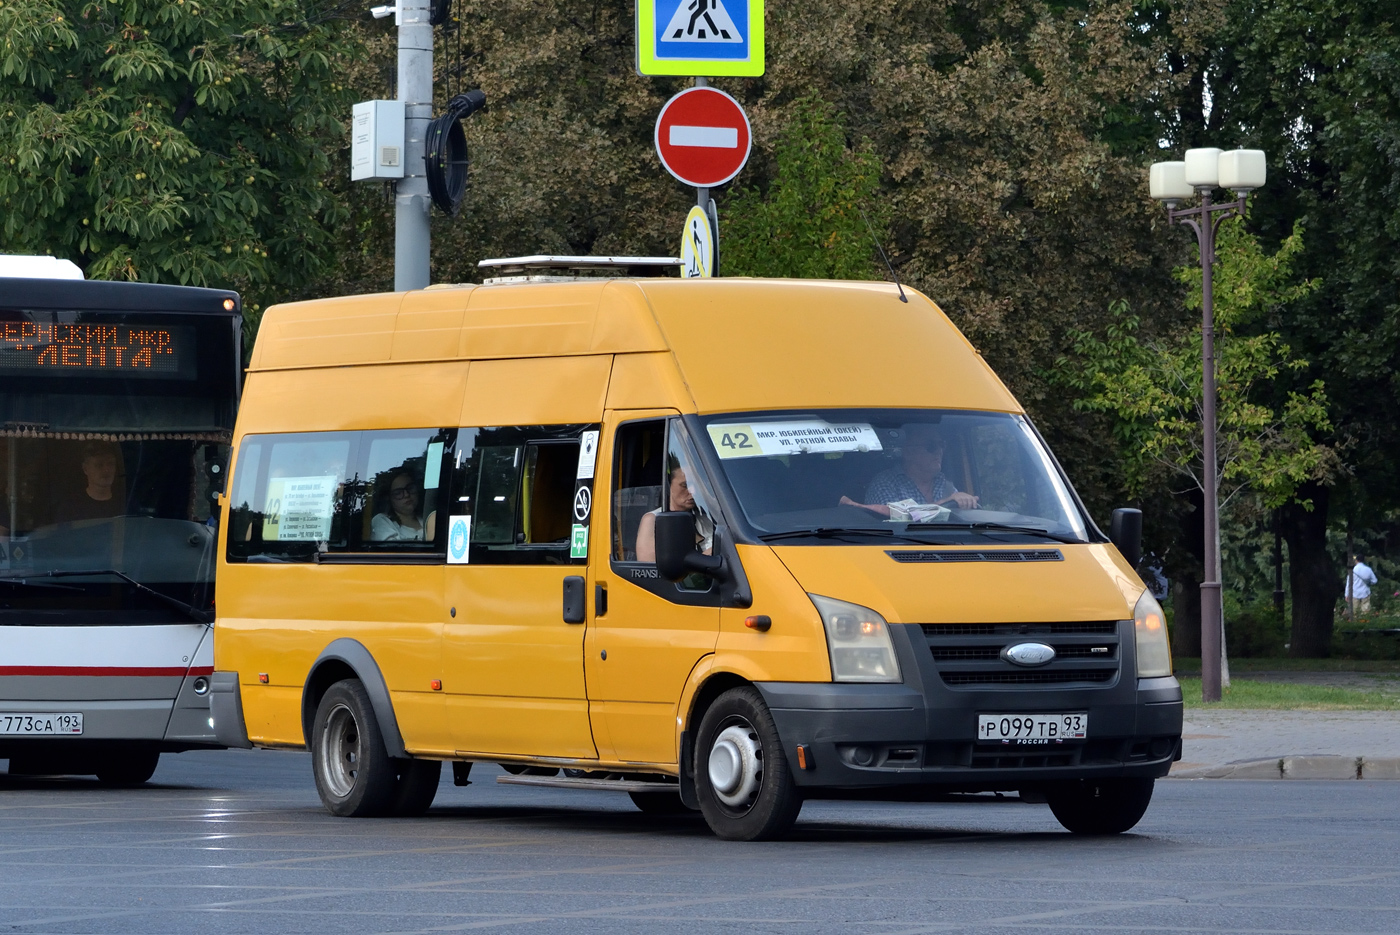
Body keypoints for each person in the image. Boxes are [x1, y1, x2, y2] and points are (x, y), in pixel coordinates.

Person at [840, 424, 979, 517]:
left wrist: (966, 502)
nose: (939, 451)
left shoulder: (944, 483)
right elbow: (892, 520)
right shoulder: (886, 483)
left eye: (941, 445)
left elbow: (958, 516)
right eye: (931, 446)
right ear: (909, 452)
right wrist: (946, 503)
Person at [635, 461, 714, 562]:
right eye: (685, 485)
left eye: (696, 485)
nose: (693, 491)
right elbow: (649, 569)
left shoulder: (707, 518)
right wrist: (704, 560)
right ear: (668, 485)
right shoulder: (653, 520)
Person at [56, 443, 125, 523]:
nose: (106, 470)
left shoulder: (125, 503)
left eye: (110, 464)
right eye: (99, 465)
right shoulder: (70, 507)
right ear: (85, 469)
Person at [371, 469, 425, 541]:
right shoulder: (382, 520)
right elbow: (392, 550)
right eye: (398, 493)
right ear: (389, 498)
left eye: (410, 488)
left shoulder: (426, 517)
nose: (406, 495)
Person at [1347, 553, 1378, 618]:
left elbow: (1349, 583)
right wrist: (1369, 583)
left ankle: (1355, 624)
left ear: (1356, 560)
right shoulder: (1368, 569)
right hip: (1365, 592)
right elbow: (1375, 581)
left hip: (1354, 593)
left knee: (1355, 612)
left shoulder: (1353, 570)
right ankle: (1365, 623)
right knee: (1365, 611)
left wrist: (1346, 594)